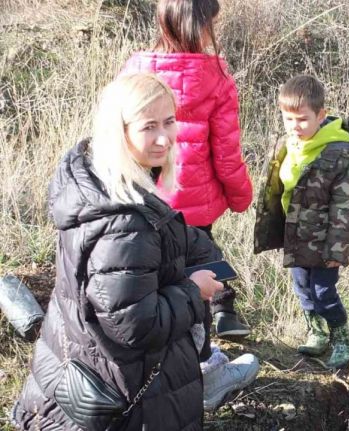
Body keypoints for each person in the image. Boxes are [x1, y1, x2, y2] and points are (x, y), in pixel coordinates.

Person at [11, 74, 259, 430]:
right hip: (126, 391)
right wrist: (194, 292)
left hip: (88, 363)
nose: (164, 138)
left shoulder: (99, 179)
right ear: (120, 130)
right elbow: (134, 324)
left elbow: (158, 240)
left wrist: (199, 248)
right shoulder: (124, 221)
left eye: (170, 122)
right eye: (149, 126)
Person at [120, 0, 253, 342]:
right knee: (199, 263)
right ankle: (206, 343)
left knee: (153, 270)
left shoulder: (136, 67)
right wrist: (241, 197)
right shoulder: (216, 75)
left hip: (145, 197)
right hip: (196, 204)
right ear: (202, 25)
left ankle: (172, 344)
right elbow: (226, 154)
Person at [254, 74, 349, 369]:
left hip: (325, 240)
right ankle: (317, 333)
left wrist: (337, 251)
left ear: (321, 115)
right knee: (302, 287)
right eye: (288, 119)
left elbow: (346, 208)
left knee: (323, 291)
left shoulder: (340, 154)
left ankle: (343, 339)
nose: (295, 126)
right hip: (296, 235)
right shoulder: (287, 145)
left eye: (302, 119)